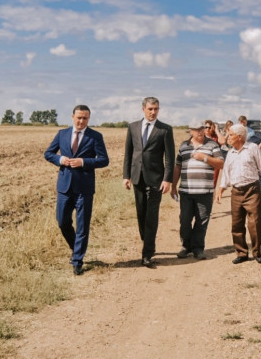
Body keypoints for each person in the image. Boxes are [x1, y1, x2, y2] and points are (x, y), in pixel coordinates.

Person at [44, 105, 110, 276]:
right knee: (62, 222)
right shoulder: (62, 134)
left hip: (84, 188)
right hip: (64, 187)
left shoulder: (95, 136)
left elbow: (104, 160)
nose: (81, 121)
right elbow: (48, 153)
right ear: (73, 117)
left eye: (85, 118)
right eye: (79, 117)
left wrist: (84, 162)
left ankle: (77, 261)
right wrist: (60, 159)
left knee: (82, 226)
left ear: (89, 119)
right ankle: (76, 248)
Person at [123, 96, 175, 268]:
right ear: (143, 109)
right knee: (141, 214)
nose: (153, 112)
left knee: (151, 216)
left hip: (156, 179)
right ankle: (147, 241)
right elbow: (128, 153)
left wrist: (167, 179)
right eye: (150, 109)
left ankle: (147, 253)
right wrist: (126, 176)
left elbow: (169, 158)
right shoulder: (133, 127)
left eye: (156, 109)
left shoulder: (165, 129)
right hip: (137, 177)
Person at [215, 124, 261, 264]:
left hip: (252, 190)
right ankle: (241, 253)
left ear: (240, 136)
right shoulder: (230, 153)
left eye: (231, 135)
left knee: (255, 223)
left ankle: (257, 252)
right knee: (237, 224)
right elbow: (226, 173)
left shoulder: (252, 148)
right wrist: (221, 189)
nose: (228, 138)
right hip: (236, 191)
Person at [171, 120, 224, 260]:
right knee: (185, 220)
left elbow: (221, 163)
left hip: (205, 191)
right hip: (186, 191)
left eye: (202, 129)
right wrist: (173, 186)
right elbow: (178, 166)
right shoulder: (184, 146)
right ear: (191, 131)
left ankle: (198, 248)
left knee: (202, 221)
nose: (200, 131)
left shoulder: (212, 145)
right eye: (197, 129)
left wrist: (205, 158)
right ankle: (186, 246)